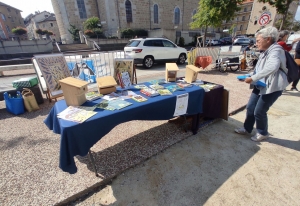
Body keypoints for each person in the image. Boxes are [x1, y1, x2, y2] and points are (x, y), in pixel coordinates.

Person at [235, 26, 289, 142]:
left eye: (258, 40)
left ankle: (263, 132)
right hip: (261, 84)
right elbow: (259, 69)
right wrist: (249, 76)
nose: (256, 43)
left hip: (273, 87)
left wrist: (253, 78)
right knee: (250, 107)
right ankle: (247, 128)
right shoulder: (265, 51)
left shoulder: (276, 50)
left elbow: (272, 67)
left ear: (268, 39)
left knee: (259, 111)